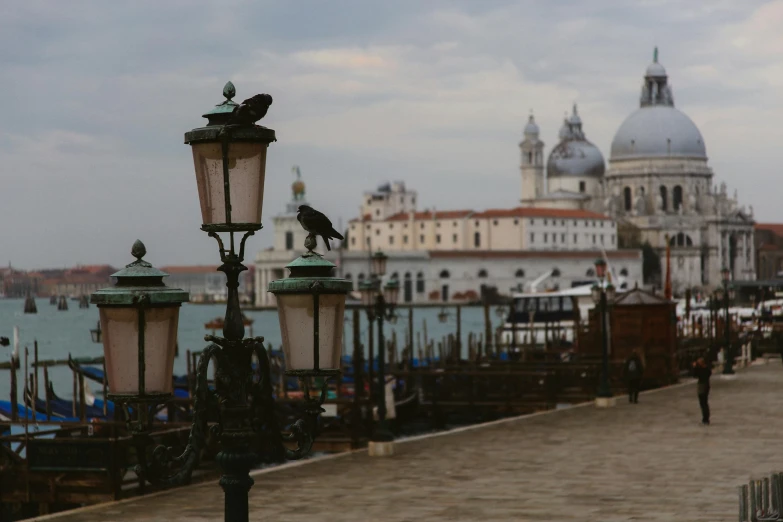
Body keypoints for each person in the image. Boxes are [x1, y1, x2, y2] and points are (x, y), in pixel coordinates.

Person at [692, 356, 712, 425]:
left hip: (702, 386)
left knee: (703, 403)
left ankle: (705, 419)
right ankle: (706, 418)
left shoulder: (702, 370)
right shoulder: (707, 369)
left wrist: (695, 367)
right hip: (706, 386)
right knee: (705, 403)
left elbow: (695, 375)